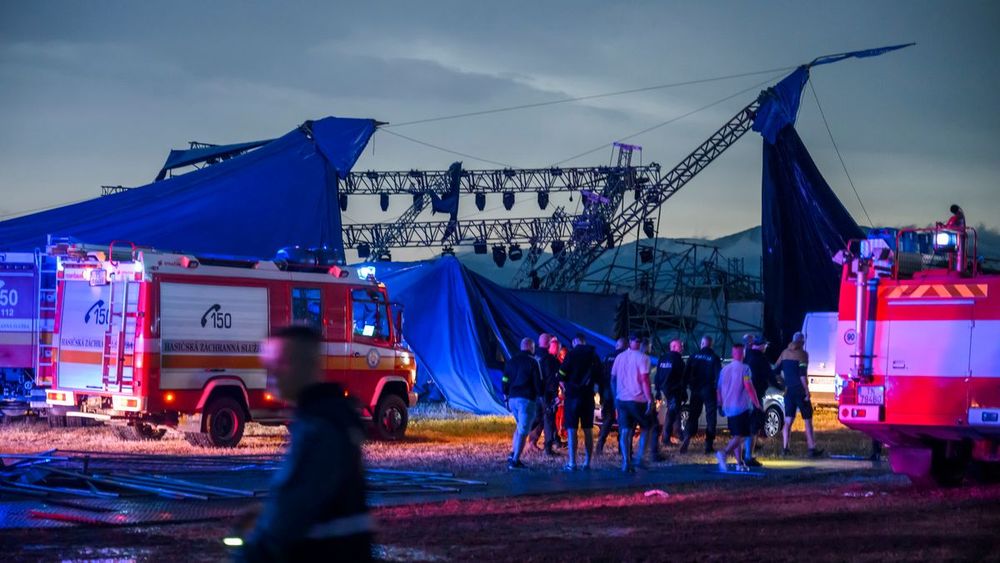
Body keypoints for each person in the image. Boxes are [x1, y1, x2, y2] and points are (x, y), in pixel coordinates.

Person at [241, 325, 372, 562]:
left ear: (306, 365)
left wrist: (252, 552)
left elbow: (292, 513)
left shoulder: (318, 429)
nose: (272, 374)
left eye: (280, 363)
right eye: (268, 366)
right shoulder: (329, 417)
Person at [558, 333, 604, 470]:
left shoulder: (571, 355)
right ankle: (587, 463)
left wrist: (564, 387)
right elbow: (600, 377)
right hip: (588, 396)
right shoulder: (594, 356)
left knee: (572, 430)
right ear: (584, 341)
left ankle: (572, 463)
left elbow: (561, 374)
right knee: (588, 429)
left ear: (575, 342)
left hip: (572, 396)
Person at [715, 344, 762, 472]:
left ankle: (739, 463)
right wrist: (757, 404)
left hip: (728, 407)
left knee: (736, 435)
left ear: (732, 353)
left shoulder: (724, 370)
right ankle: (723, 453)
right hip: (741, 406)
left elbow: (718, 389)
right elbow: (749, 387)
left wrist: (720, 404)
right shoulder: (745, 369)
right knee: (742, 436)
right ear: (743, 354)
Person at [776, 332, 823, 458]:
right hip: (800, 392)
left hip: (788, 391)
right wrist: (807, 391)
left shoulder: (784, 353)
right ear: (802, 342)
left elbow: (775, 370)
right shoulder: (803, 354)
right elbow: (802, 375)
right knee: (807, 420)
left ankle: (785, 448)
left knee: (788, 420)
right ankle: (811, 448)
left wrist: (783, 383)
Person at [611, 333, 653, 472]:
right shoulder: (643, 358)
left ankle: (626, 462)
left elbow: (613, 378)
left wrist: (615, 396)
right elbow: (644, 380)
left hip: (622, 399)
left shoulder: (619, 357)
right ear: (638, 343)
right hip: (637, 399)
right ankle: (640, 457)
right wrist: (649, 399)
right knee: (647, 426)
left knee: (625, 430)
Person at [502, 337, 544, 469]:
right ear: (531, 348)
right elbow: (538, 382)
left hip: (512, 398)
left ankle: (513, 453)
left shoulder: (511, 361)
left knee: (519, 427)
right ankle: (515, 461)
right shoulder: (533, 362)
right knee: (523, 430)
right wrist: (541, 396)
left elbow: (505, 379)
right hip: (526, 399)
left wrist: (506, 396)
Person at [679, 336, 722, 454]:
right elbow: (719, 377)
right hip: (709, 390)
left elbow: (686, 374)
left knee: (693, 415)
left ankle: (687, 435)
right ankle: (708, 445)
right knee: (711, 417)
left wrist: (684, 388)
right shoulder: (714, 358)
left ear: (701, 344)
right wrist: (719, 393)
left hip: (695, 390)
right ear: (711, 345)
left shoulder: (693, 356)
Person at [743, 335, 776, 466]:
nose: (766, 348)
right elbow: (770, 376)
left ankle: (745, 453)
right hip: (756, 395)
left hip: (745, 395)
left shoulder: (748, 356)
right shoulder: (761, 358)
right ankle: (748, 456)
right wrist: (781, 387)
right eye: (765, 345)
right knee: (754, 426)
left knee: (746, 426)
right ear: (761, 345)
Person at [528, 333, 561, 456]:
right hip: (546, 394)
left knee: (537, 418)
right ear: (548, 343)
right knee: (548, 420)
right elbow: (554, 379)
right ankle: (548, 448)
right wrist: (555, 395)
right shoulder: (551, 359)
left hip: (533, 393)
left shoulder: (532, 356)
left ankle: (525, 437)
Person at [596, 337, 627, 455]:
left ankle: (600, 444)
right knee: (623, 419)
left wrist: (602, 392)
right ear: (626, 346)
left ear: (616, 346)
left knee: (608, 418)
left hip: (607, 391)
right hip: (621, 391)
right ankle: (621, 447)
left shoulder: (608, 357)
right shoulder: (625, 357)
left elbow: (602, 375)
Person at [657, 339, 686, 448]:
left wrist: (659, 390)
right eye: (680, 346)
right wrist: (683, 392)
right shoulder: (678, 360)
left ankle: (679, 433)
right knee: (671, 413)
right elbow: (682, 378)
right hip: (674, 391)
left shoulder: (663, 358)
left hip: (665, 390)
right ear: (673, 347)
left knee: (676, 411)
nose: (682, 349)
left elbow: (657, 375)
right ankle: (665, 439)